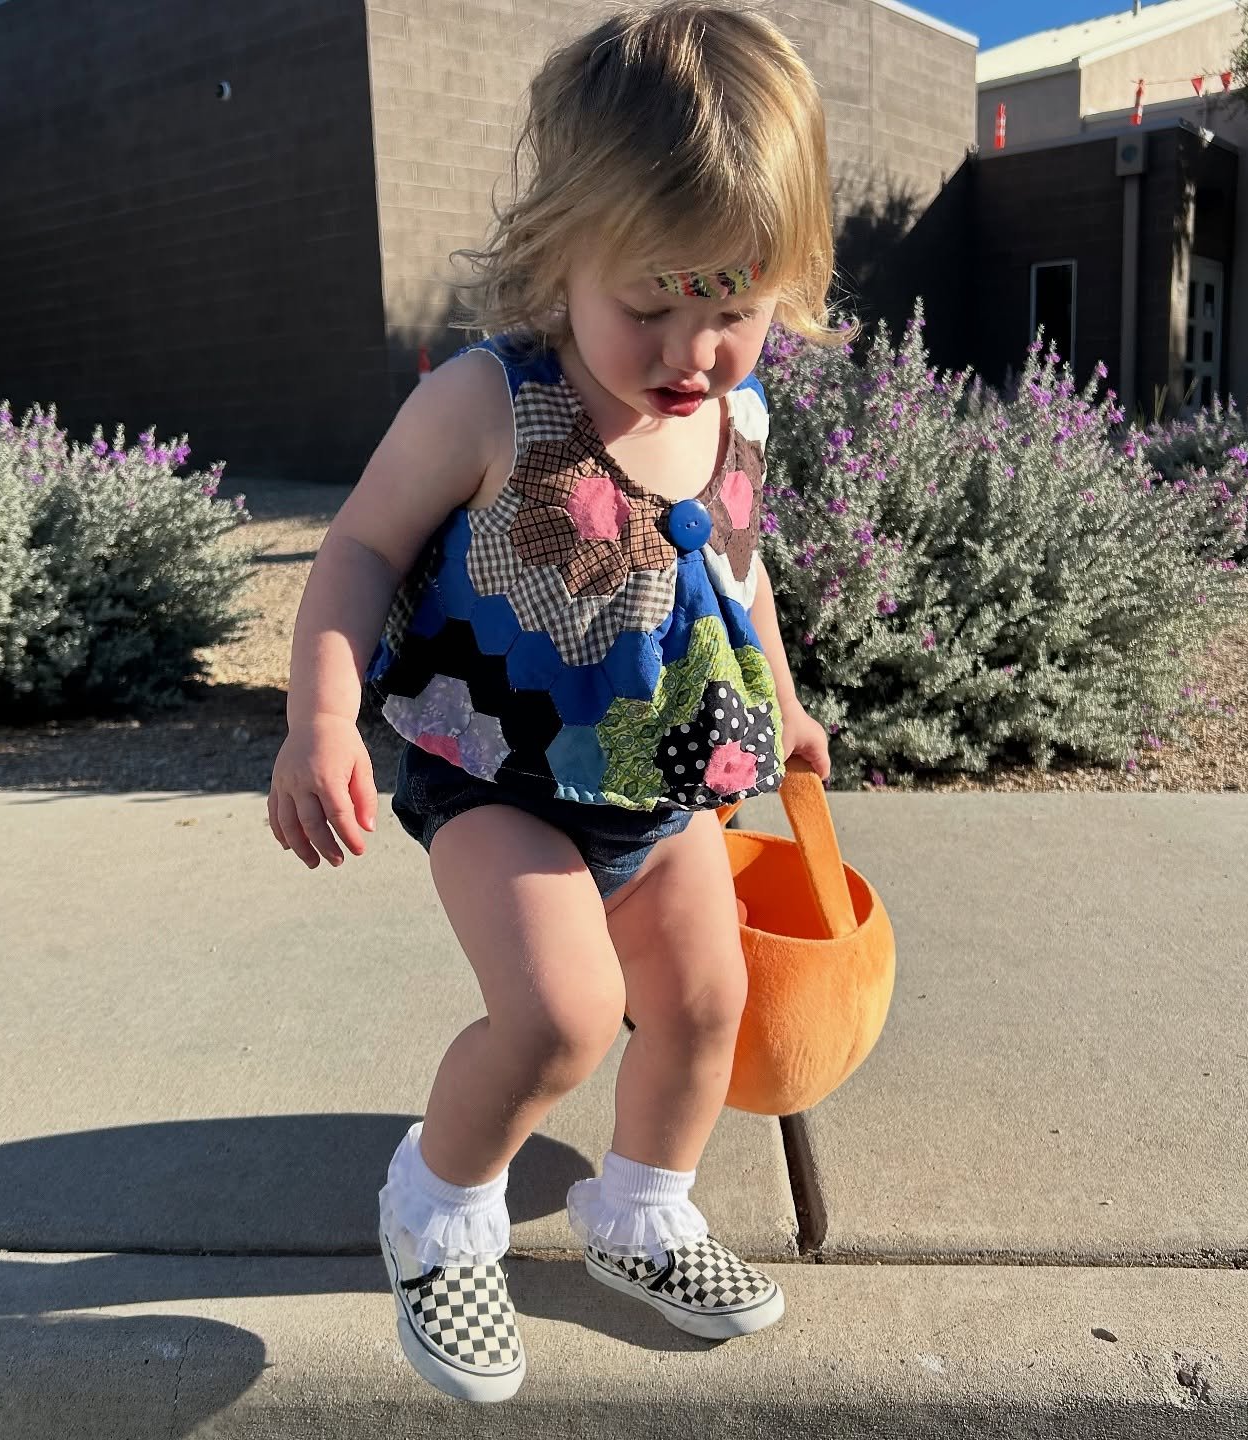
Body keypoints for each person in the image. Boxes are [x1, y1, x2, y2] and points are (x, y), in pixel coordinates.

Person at [268, 0, 845, 1404]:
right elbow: (358, 549)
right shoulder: (487, 401)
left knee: (708, 1001)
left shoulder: (740, 421)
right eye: (648, 303)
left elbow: (740, 583)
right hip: (498, 773)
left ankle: (641, 1208)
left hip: (665, 778)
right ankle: (437, 1204)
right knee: (564, 1017)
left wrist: (783, 701)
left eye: (734, 309)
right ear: (558, 253)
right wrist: (321, 717)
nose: (691, 350)